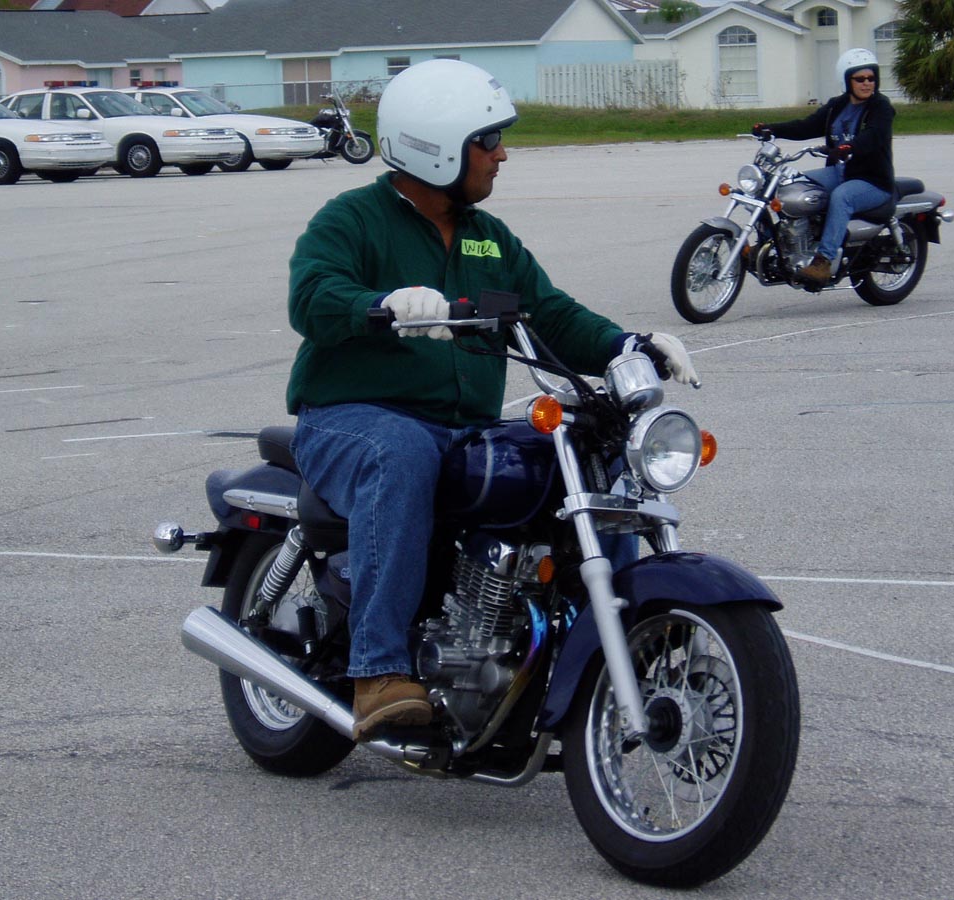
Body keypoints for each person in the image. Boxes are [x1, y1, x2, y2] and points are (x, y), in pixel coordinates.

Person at [285, 59, 697, 742]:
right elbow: (311, 296)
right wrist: (380, 305)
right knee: (401, 453)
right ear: (436, 146)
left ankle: (601, 639)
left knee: (582, 455)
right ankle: (378, 670)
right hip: (352, 420)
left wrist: (630, 344)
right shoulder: (353, 219)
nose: (502, 154)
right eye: (489, 141)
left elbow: (551, 315)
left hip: (462, 428)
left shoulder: (487, 238)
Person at [753, 48, 895, 286]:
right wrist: (772, 129)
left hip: (872, 180)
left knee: (842, 197)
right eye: (860, 78)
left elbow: (874, 135)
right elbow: (806, 126)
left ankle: (823, 262)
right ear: (846, 81)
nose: (867, 83)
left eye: (871, 78)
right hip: (841, 173)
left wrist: (849, 147)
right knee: (792, 186)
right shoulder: (837, 106)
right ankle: (772, 244)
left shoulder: (881, 107)